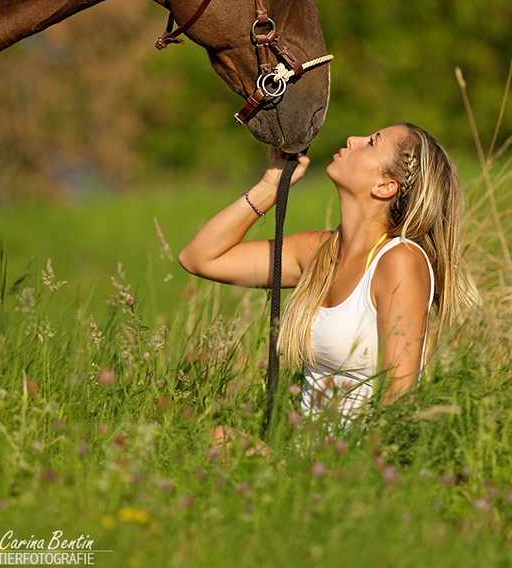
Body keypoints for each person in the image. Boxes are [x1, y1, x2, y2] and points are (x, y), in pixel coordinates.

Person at [179, 123, 480, 425]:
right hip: (301, 461)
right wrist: (269, 187)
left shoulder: (400, 261)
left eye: (372, 142)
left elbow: (399, 399)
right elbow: (198, 258)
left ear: (385, 186)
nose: (353, 139)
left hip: (351, 464)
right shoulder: (318, 253)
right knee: (219, 438)